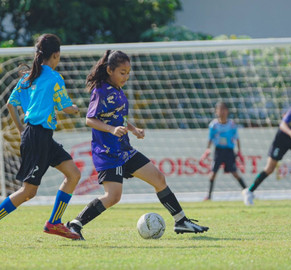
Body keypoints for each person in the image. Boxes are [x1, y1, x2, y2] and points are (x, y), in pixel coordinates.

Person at [65, 50, 209, 240]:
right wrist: (111, 130)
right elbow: (90, 120)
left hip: (124, 149)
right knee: (113, 197)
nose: (126, 76)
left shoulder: (117, 89)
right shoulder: (100, 91)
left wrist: (133, 129)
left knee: (159, 179)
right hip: (108, 152)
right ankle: (75, 224)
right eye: (122, 72)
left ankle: (181, 221)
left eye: (128, 72)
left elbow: (119, 117)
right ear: (110, 70)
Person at [0, 34, 82, 248]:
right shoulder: (53, 78)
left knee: (73, 174)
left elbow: (10, 104)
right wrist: (77, 108)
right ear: (56, 55)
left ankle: (54, 222)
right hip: (38, 137)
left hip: (40, 136)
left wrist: (21, 129)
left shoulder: (27, 78)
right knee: (28, 191)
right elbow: (66, 107)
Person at [204, 102, 246, 201]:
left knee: (235, 173)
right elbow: (210, 138)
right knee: (213, 174)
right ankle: (209, 196)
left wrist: (239, 151)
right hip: (218, 151)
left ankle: (247, 191)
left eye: (223, 109)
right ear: (216, 111)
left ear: (227, 111)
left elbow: (237, 138)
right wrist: (208, 149)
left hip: (229, 151)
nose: (221, 112)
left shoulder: (231, 125)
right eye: (219, 109)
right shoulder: (214, 125)